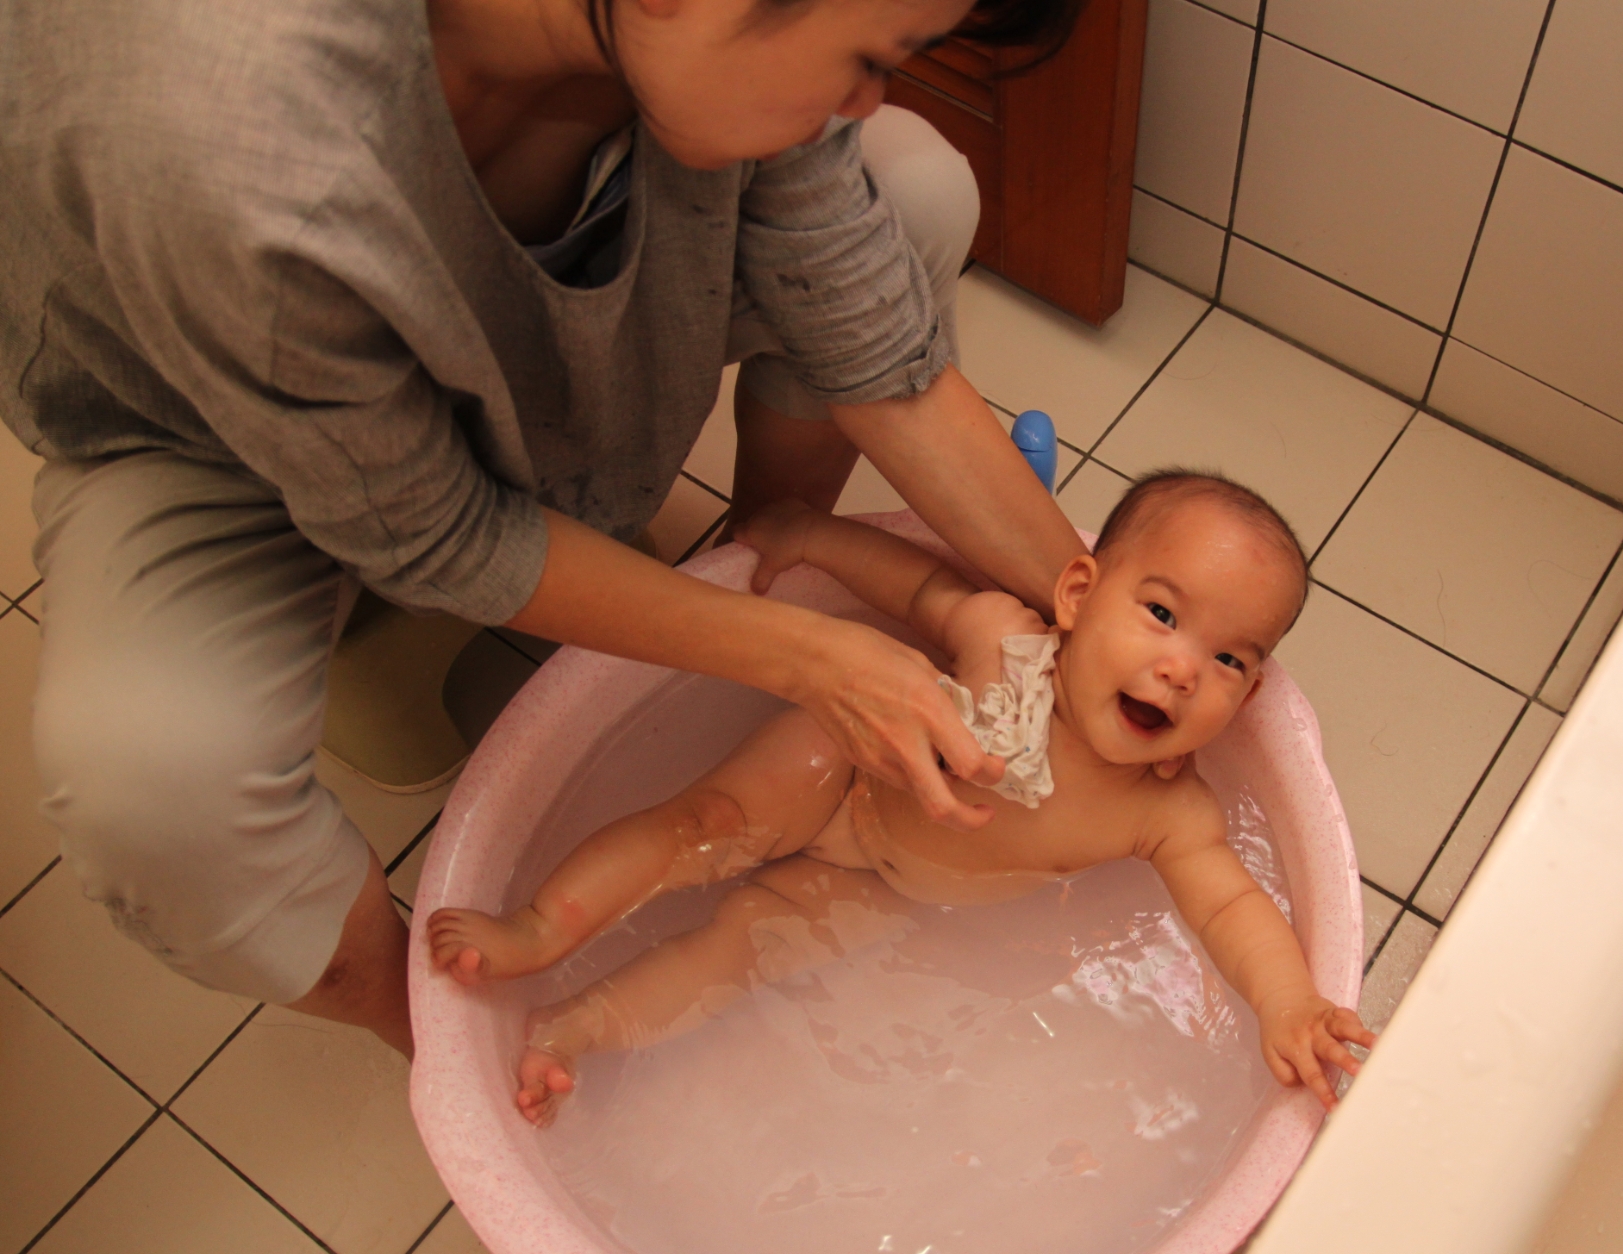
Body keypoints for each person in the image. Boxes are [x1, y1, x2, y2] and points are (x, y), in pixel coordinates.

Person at [2, 0, 1090, 1058]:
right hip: (219, 424)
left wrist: (1100, 608)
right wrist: (817, 658)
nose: (864, 100)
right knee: (153, 790)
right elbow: (441, 537)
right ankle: (447, 1043)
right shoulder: (232, 139)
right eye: (869, 57)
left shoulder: (678, 38)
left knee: (914, 188)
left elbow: (870, 331)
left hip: (487, 335)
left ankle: (762, 556)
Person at [426, 473, 1377, 1122]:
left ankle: (576, 1029)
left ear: (1249, 694)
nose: (1181, 669)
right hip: (841, 773)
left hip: (888, 891)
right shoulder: (1009, 641)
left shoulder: (1168, 812)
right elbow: (915, 586)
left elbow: (1231, 907)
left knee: (745, 952)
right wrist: (815, 537)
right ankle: (538, 929)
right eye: (1162, 614)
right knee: (704, 826)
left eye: (1227, 659)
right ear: (1080, 593)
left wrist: (1288, 1002)